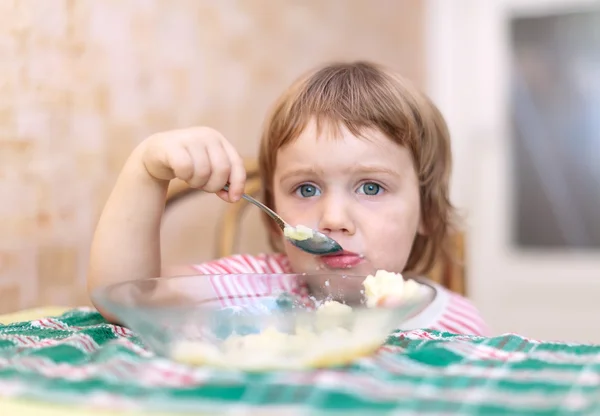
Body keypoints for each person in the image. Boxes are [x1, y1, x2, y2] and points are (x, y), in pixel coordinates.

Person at [87, 61, 489, 336]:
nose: (333, 218)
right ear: (274, 212)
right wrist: (144, 172)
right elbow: (126, 297)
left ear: (427, 212)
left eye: (371, 187)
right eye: (306, 189)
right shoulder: (253, 289)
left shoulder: (457, 325)